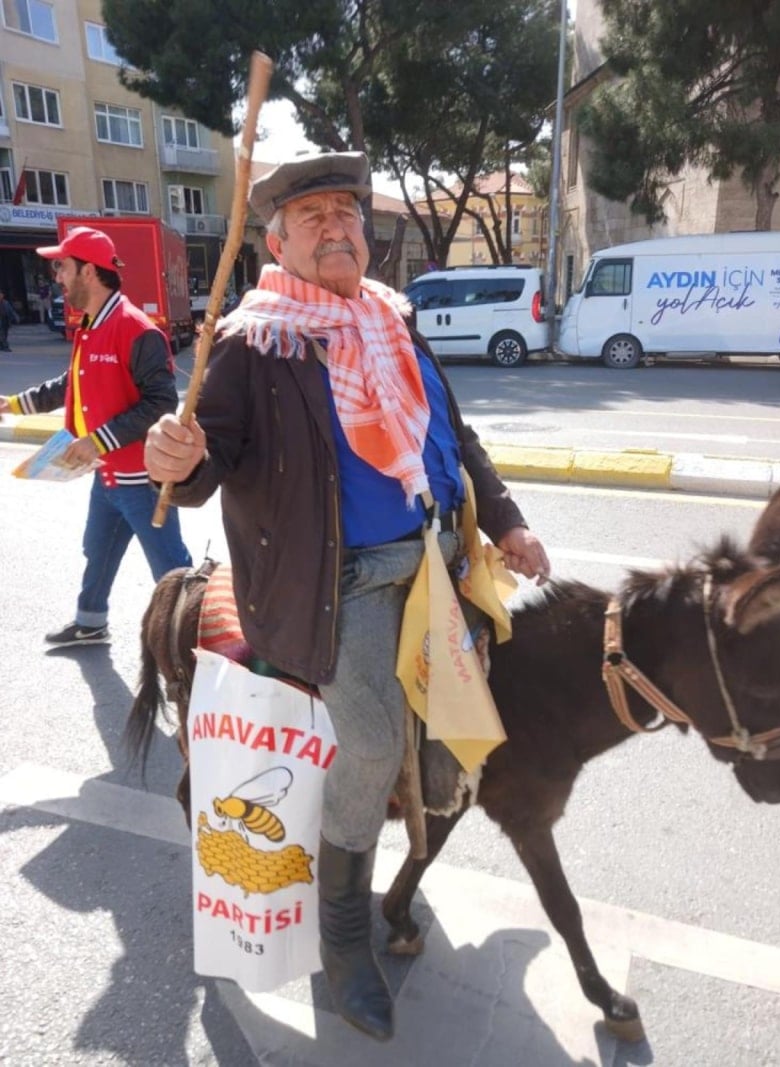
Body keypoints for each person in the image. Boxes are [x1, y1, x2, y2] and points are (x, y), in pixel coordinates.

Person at [143, 151, 550, 1042]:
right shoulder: (253, 343)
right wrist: (175, 456)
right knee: (368, 743)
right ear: (277, 243)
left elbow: (454, 437)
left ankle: (404, 842)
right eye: (313, 217)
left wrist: (508, 520)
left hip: (438, 564)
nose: (336, 228)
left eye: (347, 213)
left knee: (463, 731)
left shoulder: (393, 319)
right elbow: (206, 459)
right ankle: (344, 931)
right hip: (342, 583)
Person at [0, 226, 192, 647]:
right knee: (98, 550)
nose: (56, 276)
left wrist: (97, 440)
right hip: (107, 477)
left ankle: (191, 645)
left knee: (171, 569)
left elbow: (161, 403)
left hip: (142, 481)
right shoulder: (89, 326)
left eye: (62, 267)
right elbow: (70, 385)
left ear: (88, 271)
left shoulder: (136, 329)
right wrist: (12, 404)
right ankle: (90, 622)